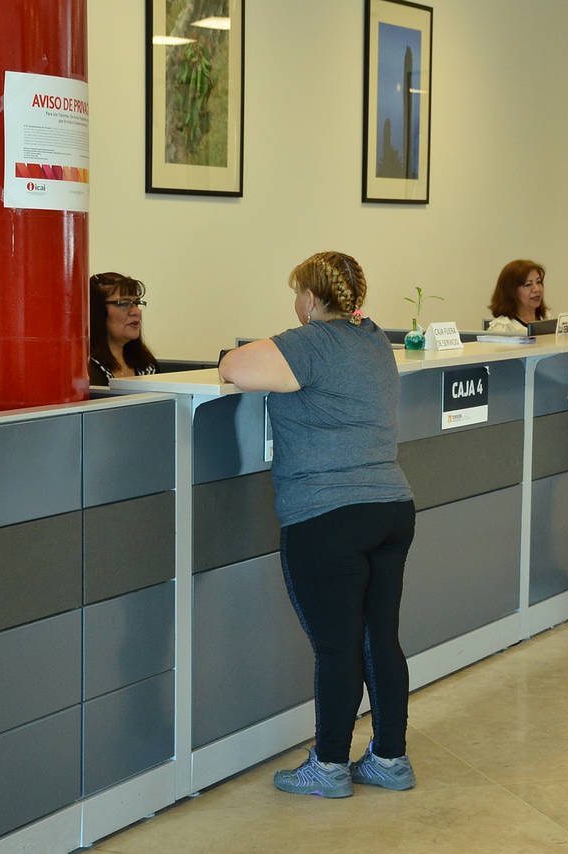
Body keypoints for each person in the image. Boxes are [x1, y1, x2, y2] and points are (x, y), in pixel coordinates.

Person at [219, 251, 417, 798]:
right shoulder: (374, 339)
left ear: (309, 298)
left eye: (296, 294)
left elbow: (234, 367)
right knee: (381, 640)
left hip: (327, 515)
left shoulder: (310, 342)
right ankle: (390, 759)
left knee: (337, 647)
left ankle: (329, 766)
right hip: (391, 508)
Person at [88, 272, 159, 385]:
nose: (136, 312)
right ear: (97, 311)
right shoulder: (86, 368)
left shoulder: (146, 364)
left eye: (137, 303)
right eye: (124, 304)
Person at [487, 259, 548, 333]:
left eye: (538, 282)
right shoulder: (502, 328)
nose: (537, 289)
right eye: (528, 284)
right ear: (512, 291)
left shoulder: (546, 318)